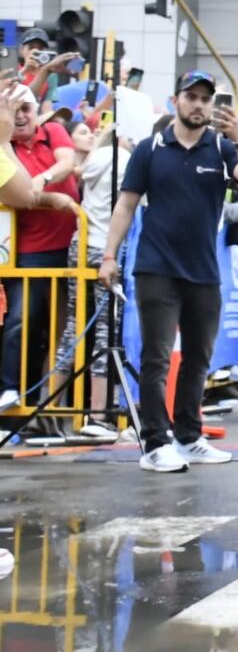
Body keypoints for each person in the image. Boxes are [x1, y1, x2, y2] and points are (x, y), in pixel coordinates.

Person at [98, 71, 238, 472]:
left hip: (204, 271)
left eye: (206, 99)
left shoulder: (221, 148)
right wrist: (108, 256)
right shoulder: (150, 149)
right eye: (191, 97)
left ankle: (189, 436)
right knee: (156, 359)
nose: (199, 105)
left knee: (198, 360)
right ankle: (155, 444)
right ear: (176, 101)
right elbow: (126, 204)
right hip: (156, 269)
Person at [1, 87, 82, 410]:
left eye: (26, 108)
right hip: (28, 250)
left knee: (63, 329)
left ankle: (51, 405)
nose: (20, 115)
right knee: (23, 319)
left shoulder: (54, 131)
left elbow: (66, 162)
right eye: (13, 109)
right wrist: (49, 198)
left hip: (71, 247)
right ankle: (10, 389)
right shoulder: (7, 148)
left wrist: (43, 181)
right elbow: (19, 196)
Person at [51, 119, 131, 436]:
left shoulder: (98, 156)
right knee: (106, 332)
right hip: (109, 251)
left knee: (74, 324)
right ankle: (98, 416)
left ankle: (53, 408)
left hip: (80, 244)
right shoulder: (128, 160)